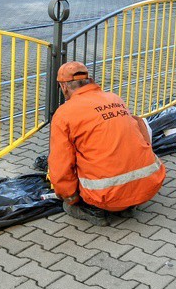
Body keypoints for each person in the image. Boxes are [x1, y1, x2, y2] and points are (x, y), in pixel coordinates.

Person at [48, 61, 166, 226]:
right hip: (148, 185)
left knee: (68, 204)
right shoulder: (114, 98)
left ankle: (96, 211)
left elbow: (61, 162)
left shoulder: (64, 114)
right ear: (89, 80)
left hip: (104, 195)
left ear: (64, 86)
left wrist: (69, 196)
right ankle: (127, 205)